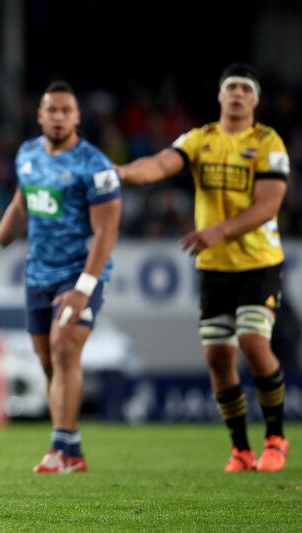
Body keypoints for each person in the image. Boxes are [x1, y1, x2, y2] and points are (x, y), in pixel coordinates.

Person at [116, 63, 290, 473]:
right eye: (231, 87)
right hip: (214, 266)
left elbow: (269, 205)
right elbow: (161, 164)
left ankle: (276, 438)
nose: (237, 94)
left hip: (258, 261)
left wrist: (219, 231)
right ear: (219, 96)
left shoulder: (268, 141)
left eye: (246, 89)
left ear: (255, 100)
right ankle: (240, 449)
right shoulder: (200, 139)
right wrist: (121, 172)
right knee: (216, 356)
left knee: (252, 341)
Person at [0, 81, 122, 474]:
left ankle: (59, 450)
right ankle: (72, 445)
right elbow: (20, 208)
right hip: (38, 274)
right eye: (51, 110)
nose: (58, 117)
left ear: (77, 117)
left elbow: (106, 231)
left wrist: (84, 288)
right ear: (40, 115)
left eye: (66, 110)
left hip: (79, 273)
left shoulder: (95, 166)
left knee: (65, 348)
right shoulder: (28, 154)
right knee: (50, 362)